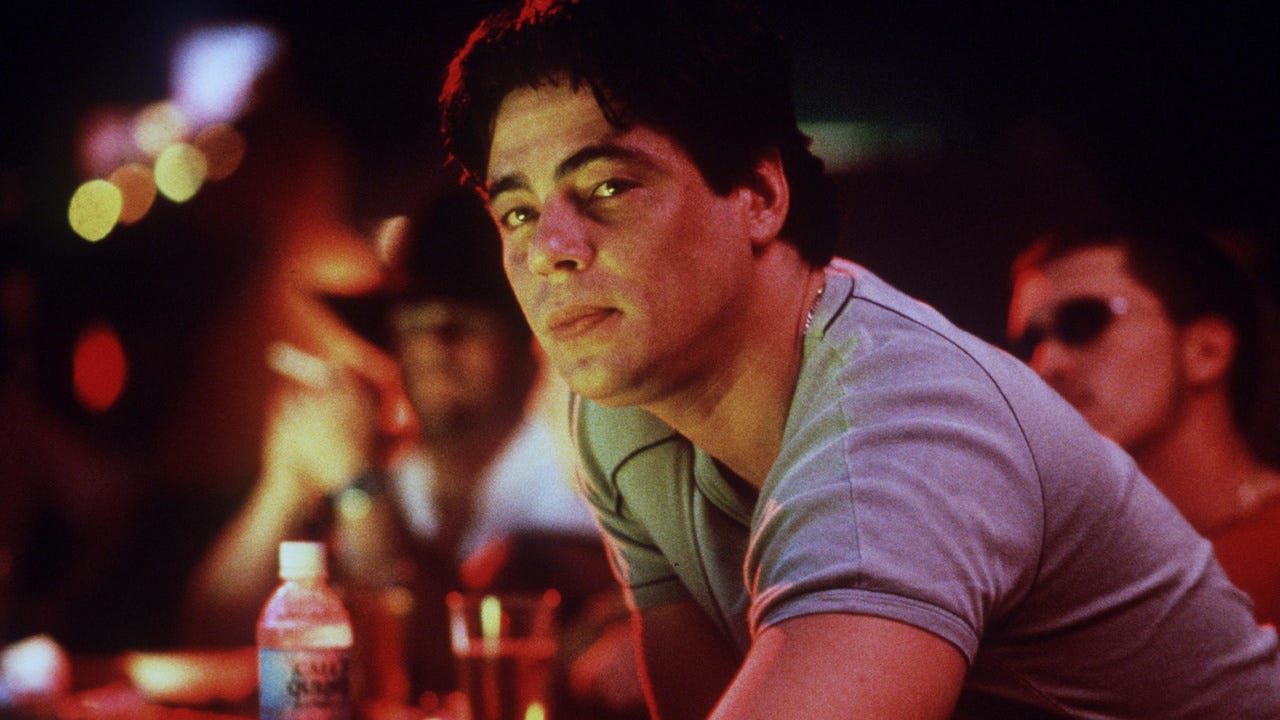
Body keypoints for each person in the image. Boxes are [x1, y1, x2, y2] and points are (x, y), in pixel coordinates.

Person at [434, 1, 1280, 718]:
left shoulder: (898, 426)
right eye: (517, 211)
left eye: (609, 187)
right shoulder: (618, 414)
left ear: (760, 196)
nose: (550, 248)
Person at [180, 185, 644, 719]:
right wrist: (284, 484)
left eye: (463, 325)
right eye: (414, 327)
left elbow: (447, 665)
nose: (435, 348)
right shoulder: (389, 472)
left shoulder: (579, 483)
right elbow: (214, 633)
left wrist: (357, 482)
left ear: (528, 351)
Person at [1007, 225, 1280, 626]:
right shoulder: (1055, 580)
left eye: (1083, 323)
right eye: (1030, 344)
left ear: (1206, 351)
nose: (1046, 365)